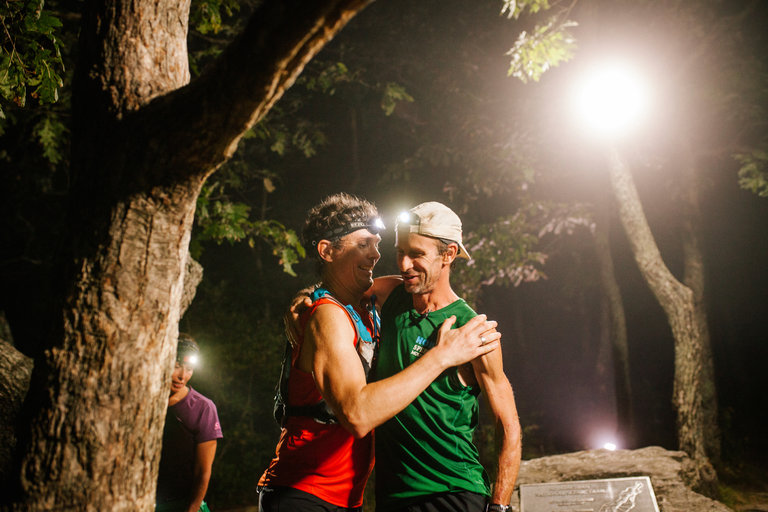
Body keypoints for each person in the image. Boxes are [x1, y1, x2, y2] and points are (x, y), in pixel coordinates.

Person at [258, 193, 500, 512]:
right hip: (303, 492)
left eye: (376, 243)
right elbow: (357, 416)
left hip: (344, 496)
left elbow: (426, 286)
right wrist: (440, 356)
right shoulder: (327, 315)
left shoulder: (369, 306)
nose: (375, 254)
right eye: (363, 244)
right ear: (326, 251)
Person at [369, 201, 522, 512]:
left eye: (417, 254)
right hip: (391, 494)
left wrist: (500, 506)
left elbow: (508, 425)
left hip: (451, 493)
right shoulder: (392, 295)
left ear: (449, 255)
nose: (404, 263)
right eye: (400, 251)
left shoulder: (474, 330)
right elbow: (336, 292)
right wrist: (308, 296)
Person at [157, 335, 223, 512]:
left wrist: (192, 508)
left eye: (189, 369)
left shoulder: (202, 407)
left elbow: (203, 471)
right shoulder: (147, 401)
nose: (182, 376)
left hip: (185, 504)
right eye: (176, 366)